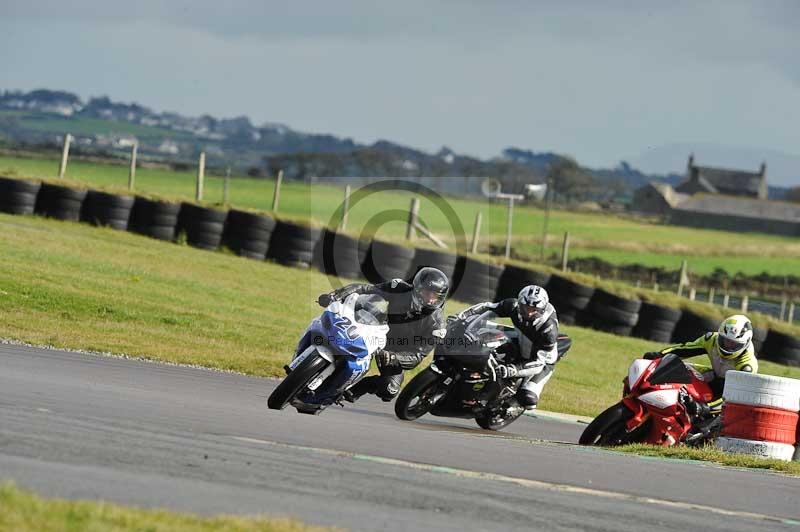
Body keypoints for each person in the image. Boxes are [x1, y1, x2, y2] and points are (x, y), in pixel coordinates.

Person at [316, 267, 449, 402]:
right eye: (428, 293)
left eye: (436, 296)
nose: (431, 300)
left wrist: (394, 358)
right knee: (345, 331)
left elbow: (418, 356)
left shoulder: (437, 326)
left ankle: (353, 390)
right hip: (375, 329)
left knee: (390, 390)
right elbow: (365, 289)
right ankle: (319, 358)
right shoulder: (398, 287)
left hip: (394, 350)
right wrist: (336, 295)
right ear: (418, 288)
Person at [456, 285, 560, 410]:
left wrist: (514, 369)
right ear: (519, 303)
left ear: (542, 309)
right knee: (484, 339)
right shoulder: (513, 306)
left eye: (534, 309)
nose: (529, 312)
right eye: (525, 307)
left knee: (528, 399)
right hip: (520, 338)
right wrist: (462, 317)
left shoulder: (548, 330)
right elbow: (487, 307)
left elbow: (539, 363)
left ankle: (508, 406)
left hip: (541, 361)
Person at [643, 314, 758, 417]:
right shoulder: (711, 339)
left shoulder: (747, 367)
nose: (728, 346)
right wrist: (660, 355)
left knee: (712, 420)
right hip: (714, 375)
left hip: (732, 391)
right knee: (682, 368)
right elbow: (685, 349)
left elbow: (734, 398)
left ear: (745, 344)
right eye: (725, 341)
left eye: (734, 344)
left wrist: (705, 408)